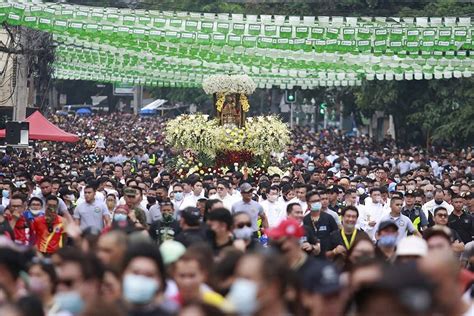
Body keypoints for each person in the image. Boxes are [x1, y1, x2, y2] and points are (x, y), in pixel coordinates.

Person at [121, 241, 177, 315]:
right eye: (136, 273)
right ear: (122, 274)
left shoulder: (172, 312)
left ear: (160, 281)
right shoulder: (106, 310)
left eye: (149, 275)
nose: (141, 280)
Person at [303, 192, 338, 257]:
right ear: (308, 203)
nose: (317, 203)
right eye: (314, 201)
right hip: (311, 256)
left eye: (318, 200)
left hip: (327, 255)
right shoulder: (305, 219)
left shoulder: (328, 217)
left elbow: (336, 235)